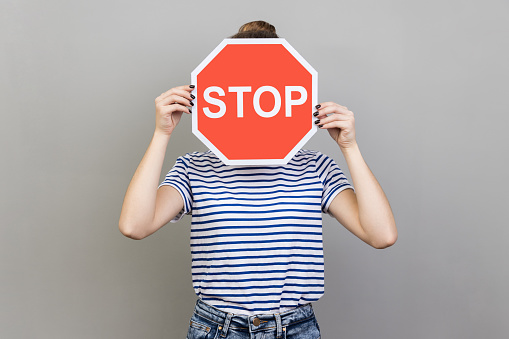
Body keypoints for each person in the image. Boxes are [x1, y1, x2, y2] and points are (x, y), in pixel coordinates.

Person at [119, 20, 397, 339]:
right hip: (217, 327)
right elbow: (134, 226)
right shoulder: (194, 168)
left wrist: (349, 146)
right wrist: (161, 134)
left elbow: (382, 235)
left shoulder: (316, 167)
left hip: (295, 327)